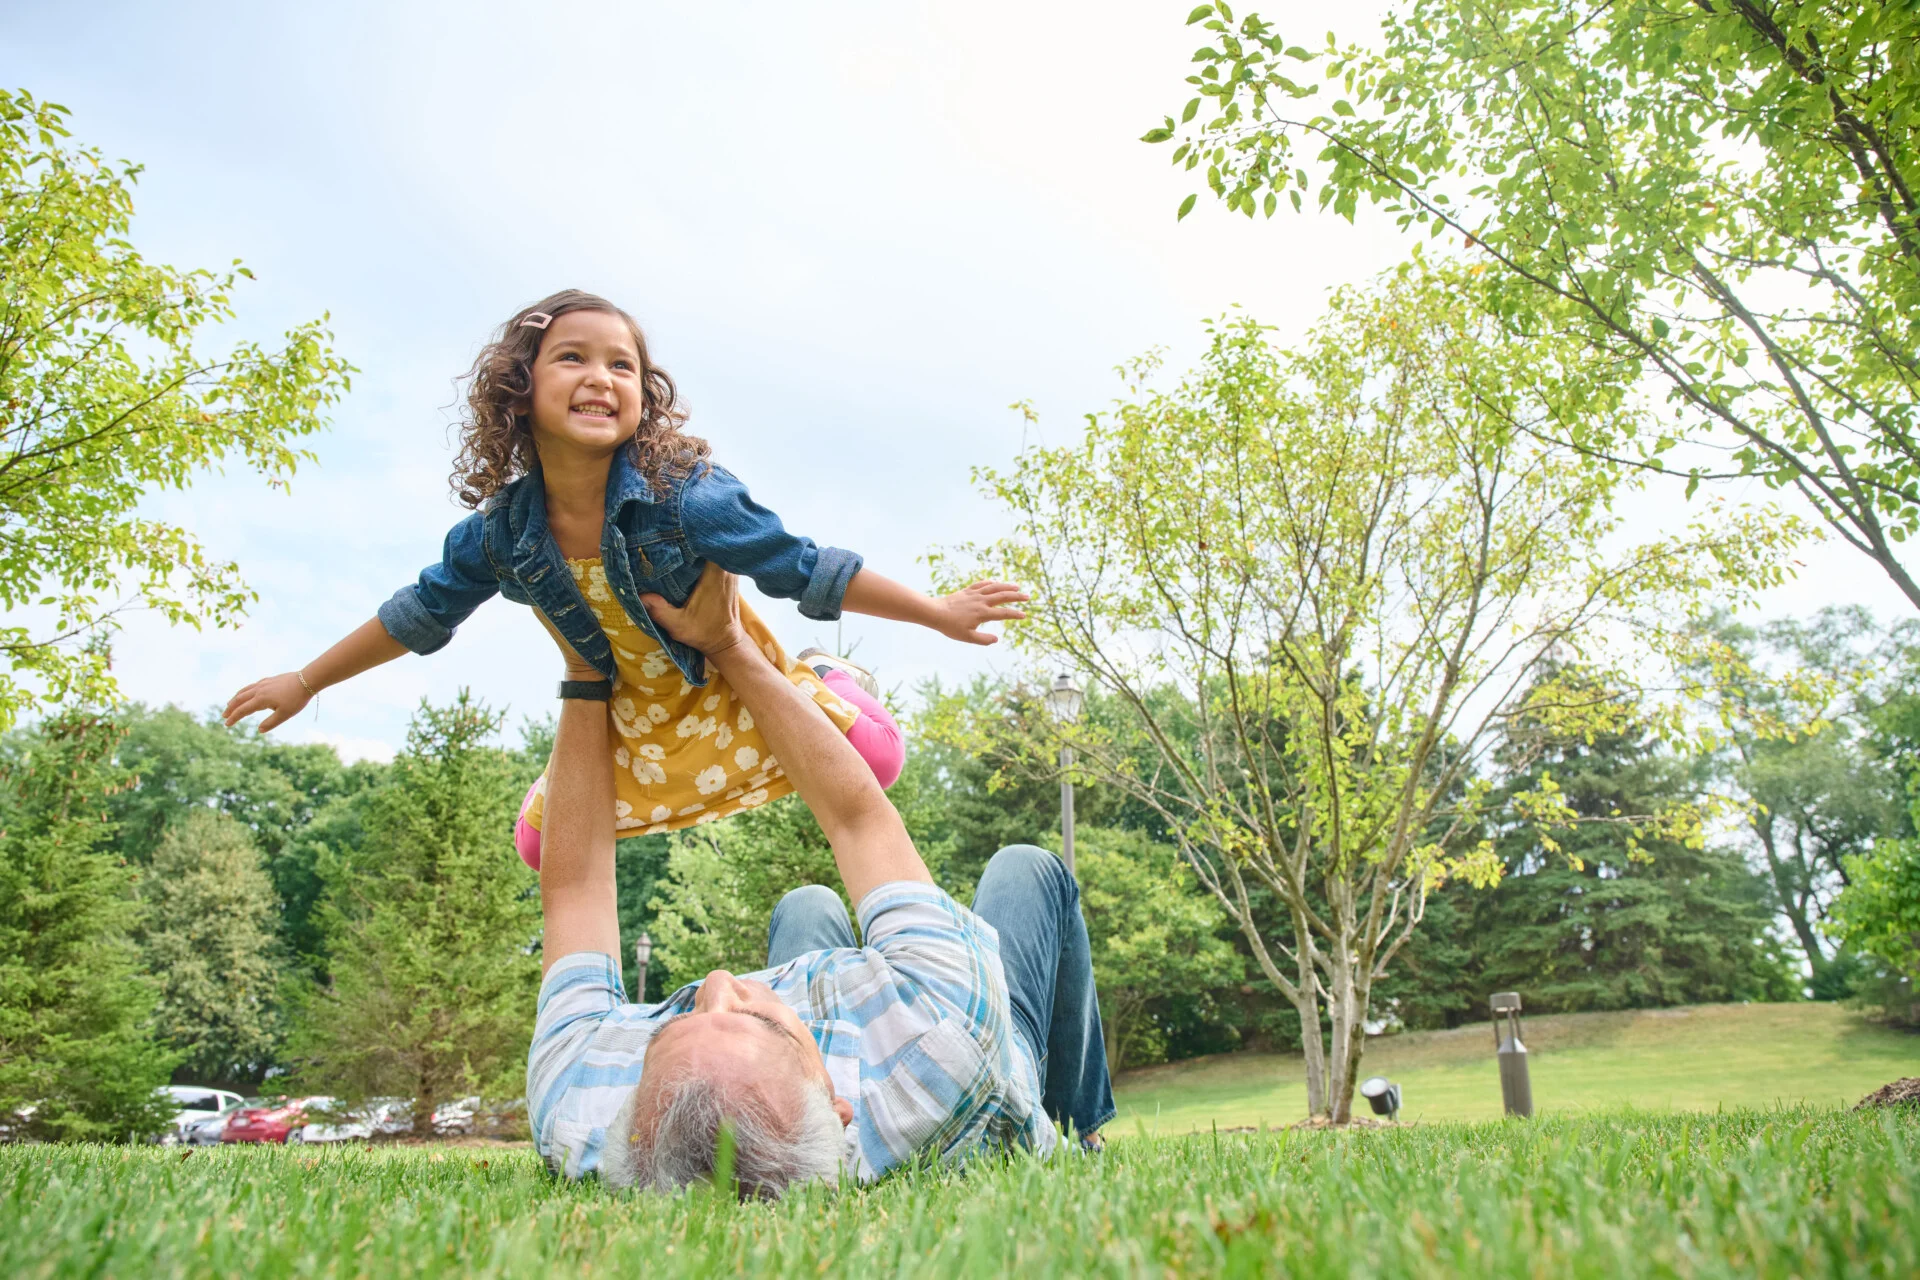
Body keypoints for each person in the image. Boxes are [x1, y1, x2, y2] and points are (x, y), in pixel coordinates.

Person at [221, 288, 1030, 865]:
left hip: (723, 692)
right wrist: (306, 679)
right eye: (573, 358)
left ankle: (829, 680)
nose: (601, 377)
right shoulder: (500, 535)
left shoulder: (688, 500)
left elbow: (803, 566)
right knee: (542, 846)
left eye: (623, 366)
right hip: (624, 718)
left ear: (645, 397)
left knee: (875, 765)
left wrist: (936, 612)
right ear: (520, 388)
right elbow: (420, 613)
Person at [527, 563, 1114, 1196]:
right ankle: (1079, 1134)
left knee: (807, 904)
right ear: (837, 1107)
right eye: (761, 1022)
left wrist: (586, 669)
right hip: (967, 1057)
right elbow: (859, 820)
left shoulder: (578, 1102)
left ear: (627, 1121)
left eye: (673, 1026)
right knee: (1027, 868)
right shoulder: (947, 1040)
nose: (721, 982)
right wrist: (728, 644)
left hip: (825, 1021)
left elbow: (573, 888)